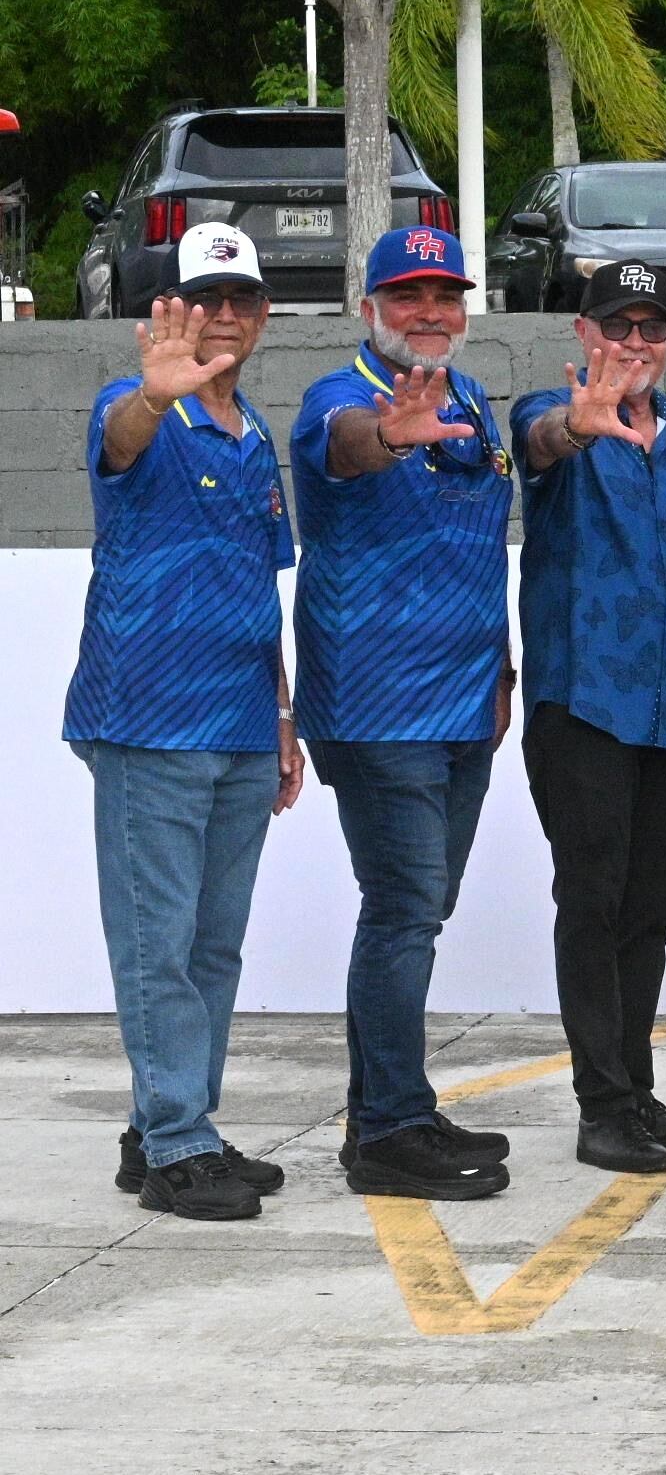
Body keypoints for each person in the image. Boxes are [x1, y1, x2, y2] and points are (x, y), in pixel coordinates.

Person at [67, 225, 305, 1221]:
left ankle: (167, 1124)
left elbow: (260, 587)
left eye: (241, 299)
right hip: (147, 723)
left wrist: (283, 711)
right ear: (173, 311)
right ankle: (177, 1146)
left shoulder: (254, 436)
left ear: (259, 314)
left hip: (243, 723)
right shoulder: (140, 414)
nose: (224, 316)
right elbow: (121, 441)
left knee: (211, 950)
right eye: (205, 298)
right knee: (156, 945)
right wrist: (153, 394)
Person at [291, 225, 515, 1201]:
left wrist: (501, 667)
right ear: (368, 305)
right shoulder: (340, 398)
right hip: (379, 709)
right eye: (410, 295)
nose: (431, 313)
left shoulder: (467, 398)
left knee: (418, 912)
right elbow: (344, 449)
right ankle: (385, 1133)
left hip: (467, 703)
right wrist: (387, 433)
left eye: (445, 296)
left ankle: (396, 1108)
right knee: (404, 912)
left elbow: (476, 541)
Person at [513, 260, 666, 1176]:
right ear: (584, 331)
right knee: (593, 901)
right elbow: (537, 442)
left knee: (648, 911)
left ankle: (636, 1092)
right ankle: (599, 1105)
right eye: (619, 325)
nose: (634, 344)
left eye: (651, 328)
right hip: (584, 704)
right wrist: (577, 423)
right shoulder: (556, 411)